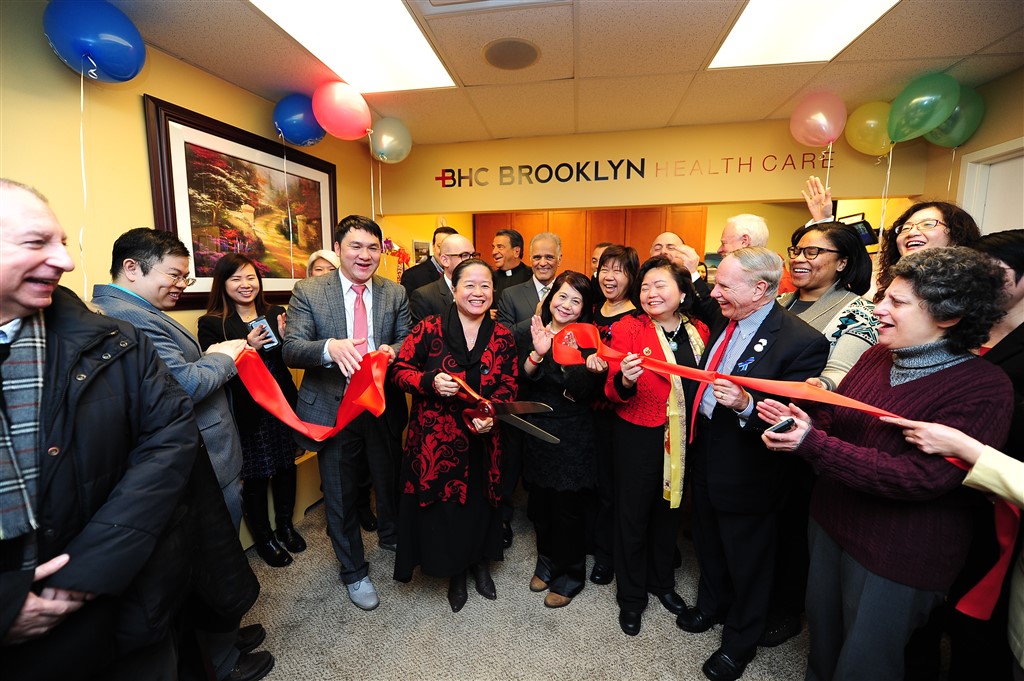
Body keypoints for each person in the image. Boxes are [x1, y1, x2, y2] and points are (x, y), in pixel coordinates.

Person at [759, 246, 1013, 681]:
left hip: (899, 552)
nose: (878, 310)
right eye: (884, 298)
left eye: (897, 303)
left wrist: (812, 444)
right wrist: (808, 422)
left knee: (866, 664)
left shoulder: (984, 387)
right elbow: (838, 415)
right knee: (823, 646)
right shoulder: (878, 355)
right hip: (831, 523)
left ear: (948, 317)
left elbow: (922, 478)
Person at [0, 180, 197, 678]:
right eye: (36, 243)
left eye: (62, 242)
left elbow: (169, 439)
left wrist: (86, 572)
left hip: (122, 599)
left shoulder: (114, 339)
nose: (65, 261)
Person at [91, 228, 272, 681]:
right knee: (211, 561)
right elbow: (185, 386)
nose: (181, 284)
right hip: (201, 458)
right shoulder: (129, 318)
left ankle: (224, 636)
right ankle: (223, 659)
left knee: (218, 557)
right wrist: (224, 355)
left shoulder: (136, 309)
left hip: (212, 453)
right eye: (174, 274)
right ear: (132, 268)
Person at [675, 247, 829, 681]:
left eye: (724, 285)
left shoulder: (801, 341)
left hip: (750, 467)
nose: (714, 291)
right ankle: (711, 607)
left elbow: (794, 416)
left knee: (749, 558)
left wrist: (747, 404)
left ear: (761, 289)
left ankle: (739, 643)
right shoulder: (728, 321)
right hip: (707, 451)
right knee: (707, 539)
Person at [758, 221, 881, 647]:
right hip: (759, 422)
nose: (799, 258)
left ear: (843, 262)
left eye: (813, 252)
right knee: (764, 521)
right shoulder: (781, 301)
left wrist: (810, 389)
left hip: (809, 431)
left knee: (793, 526)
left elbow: (839, 376)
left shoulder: (856, 310)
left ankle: (785, 609)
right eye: (796, 250)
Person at [282, 215, 410, 612]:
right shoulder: (310, 290)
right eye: (356, 246)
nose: (365, 255)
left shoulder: (394, 293)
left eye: (373, 248)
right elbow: (291, 347)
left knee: (388, 479)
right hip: (332, 409)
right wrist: (328, 348)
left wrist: (394, 351)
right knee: (339, 492)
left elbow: (408, 339)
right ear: (338, 249)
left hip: (380, 404)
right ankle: (354, 571)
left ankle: (392, 535)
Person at [390, 258, 519, 612]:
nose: (478, 293)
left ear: (493, 292)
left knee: (481, 504)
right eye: (470, 285)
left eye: (485, 286)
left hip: (483, 437)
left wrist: (493, 416)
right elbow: (399, 372)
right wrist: (429, 382)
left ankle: (480, 565)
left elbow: (509, 385)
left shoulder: (503, 336)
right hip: (437, 441)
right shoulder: (429, 328)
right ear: (454, 288)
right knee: (447, 509)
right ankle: (455, 573)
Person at [605, 256, 710, 637]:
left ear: (682, 292)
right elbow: (612, 391)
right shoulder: (627, 328)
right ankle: (631, 598)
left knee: (670, 511)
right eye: (645, 286)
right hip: (638, 434)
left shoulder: (699, 330)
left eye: (660, 285)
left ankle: (661, 583)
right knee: (632, 517)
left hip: (684, 437)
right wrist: (627, 381)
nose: (650, 293)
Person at [198, 254, 303, 568]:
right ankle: (265, 538)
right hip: (247, 408)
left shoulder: (276, 313)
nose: (245, 285)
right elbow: (211, 370)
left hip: (281, 402)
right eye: (236, 279)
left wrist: (287, 341)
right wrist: (246, 347)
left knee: (287, 466)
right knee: (255, 476)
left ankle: (285, 526)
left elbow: (290, 358)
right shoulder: (212, 323)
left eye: (250, 278)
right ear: (223, 284)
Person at [519, 271, 606, 608]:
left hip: (572, 433)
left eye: (576, 300)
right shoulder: (533, 331)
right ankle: (546, 562)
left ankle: (570, 575)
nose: (566, 305)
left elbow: (582, 393)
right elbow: (521, 382)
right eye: (562, 295)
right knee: (540, 505)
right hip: (537, 428)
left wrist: (572, 364)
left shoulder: (588, 338)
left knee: (568, 509)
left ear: (584, 308)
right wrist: (539, 352)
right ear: (551, 296)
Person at [588, 244, 640, 585]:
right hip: (586, 411)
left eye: (619, 270)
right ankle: (599, 548)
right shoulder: (590, 310)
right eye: (605, 268)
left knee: (619, 489)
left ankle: (615, 556)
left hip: (623, 414)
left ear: (631, 277)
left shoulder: (638, 318)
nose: (609, 276)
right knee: (596, 486)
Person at [874, 200, 981, 299]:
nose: (911, 233)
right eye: (905, 228)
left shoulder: (973, 290)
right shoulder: (877, 286)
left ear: (956, 235)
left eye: (928, 224)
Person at [408, 233, 477, 324]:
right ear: (445, 260)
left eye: (473, 255)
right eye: (464, 255)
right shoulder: (424, 297)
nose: (471, 261)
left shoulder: (479, 292)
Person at [400, 225, 458, 296]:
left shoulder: (463, 273)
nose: (445, 251)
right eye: (440, 246)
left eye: (450, 247)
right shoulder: (412, 276)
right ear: (433, 246)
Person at [491, 228, 532, 305]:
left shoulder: (532, 276)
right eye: (493, 247)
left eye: (500, 247)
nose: (494, 252)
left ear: (516, 251)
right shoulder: (490, 277)